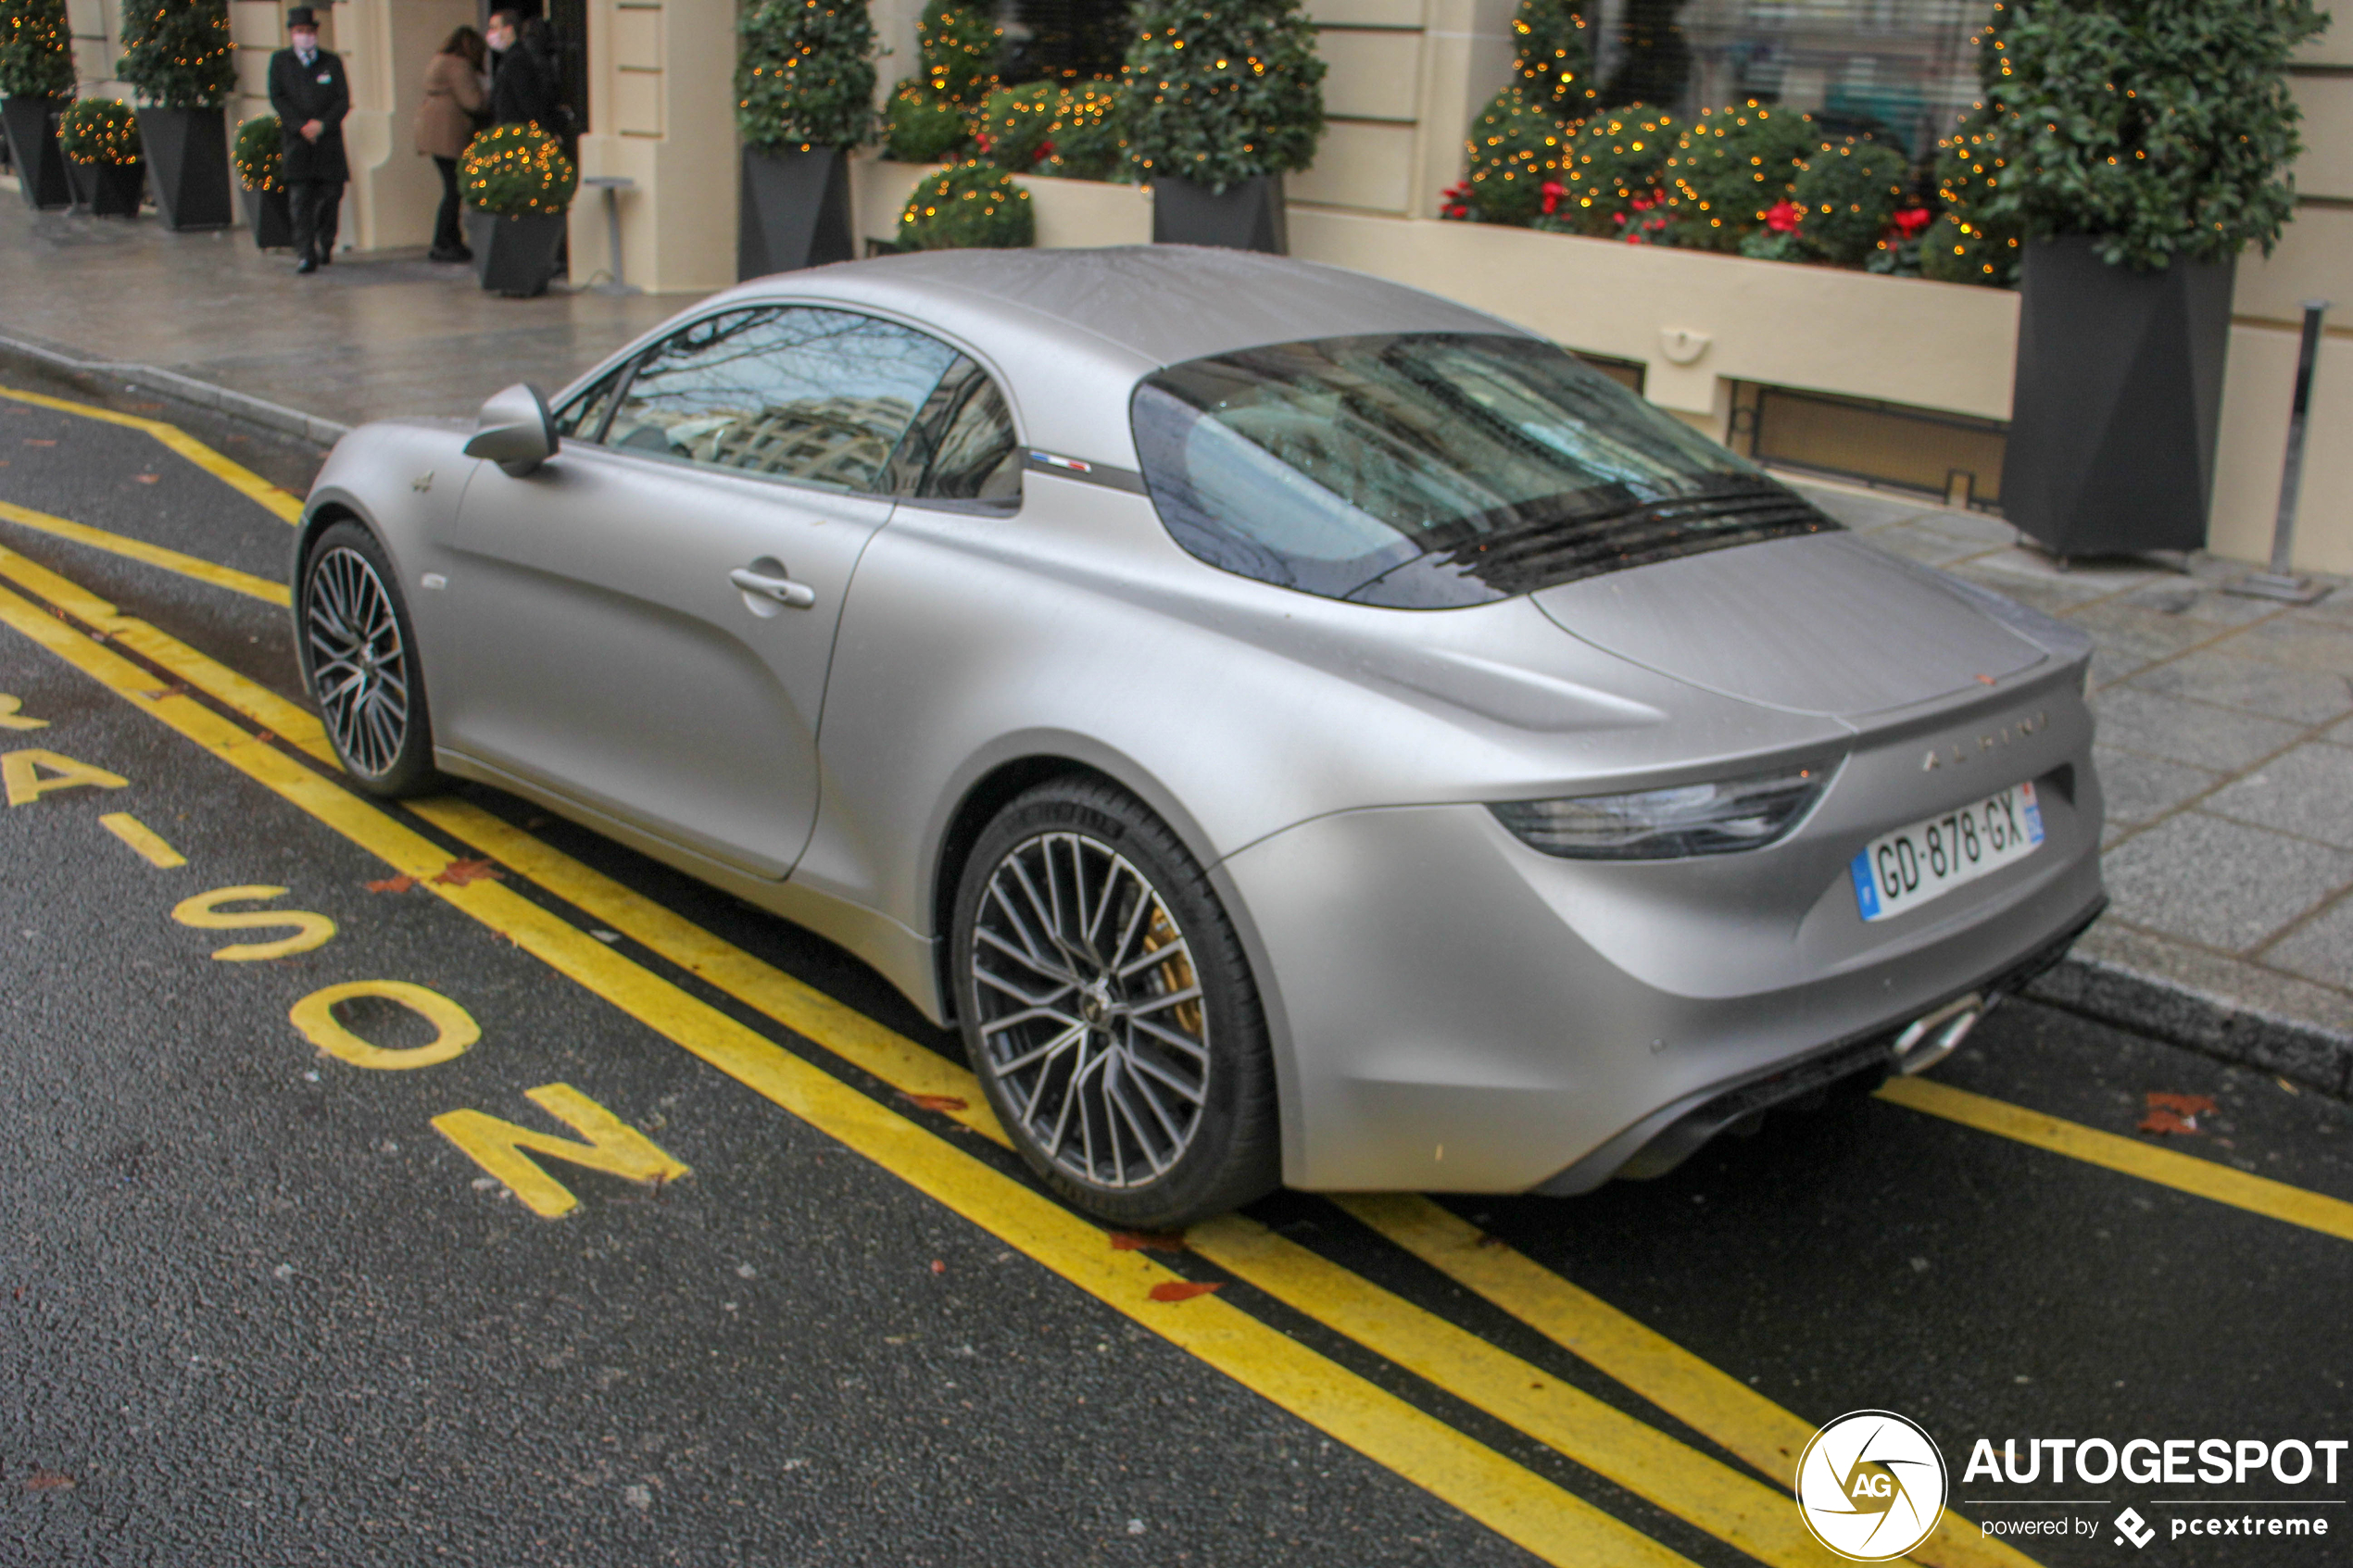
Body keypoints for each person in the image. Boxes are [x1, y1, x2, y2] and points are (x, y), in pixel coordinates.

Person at [268, 6, 349, 275]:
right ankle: (305, 252)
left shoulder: (331, 62)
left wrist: (323, 125)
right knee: (300, 201)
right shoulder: (280, 62)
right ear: (292, 33)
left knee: (331, 196)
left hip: (328, 142)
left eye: (309, 31)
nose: (305, 36)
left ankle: (326, 241)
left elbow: (342, 99)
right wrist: (299, 125)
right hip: (297, 143)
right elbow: (277, 97)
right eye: (300, 31)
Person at [414, 25, 487, 262]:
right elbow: (473, 102)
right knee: (454, 190)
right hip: (447, 133)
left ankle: (448, 240)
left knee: (452, 188)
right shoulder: (459, 65)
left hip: (433, 131)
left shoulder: (441, 59)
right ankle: (444, 242)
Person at [490, 13, 564, 136]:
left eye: (494, 28)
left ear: (509, 30)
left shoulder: (516, 60)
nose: (491, 34)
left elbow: (528, 101)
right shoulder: (510, 58)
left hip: (518, 133)